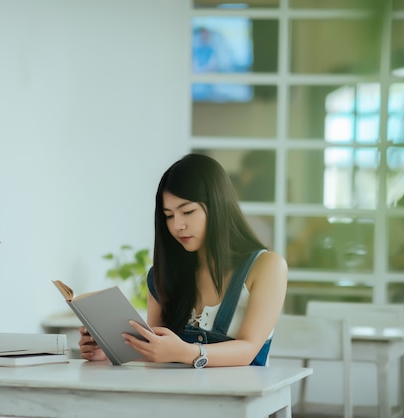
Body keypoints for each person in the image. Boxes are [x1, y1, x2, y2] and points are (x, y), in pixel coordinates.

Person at [78, 153, 288, 367]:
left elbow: (248, 350)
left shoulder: (267, 266)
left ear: (218, 206)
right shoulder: (163, 275)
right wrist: (106, 352)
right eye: (169, 215)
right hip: (175, 396)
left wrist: (186, 351)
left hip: (240, 396)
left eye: (187, 211)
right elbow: (156, 351)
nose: (177, 225)